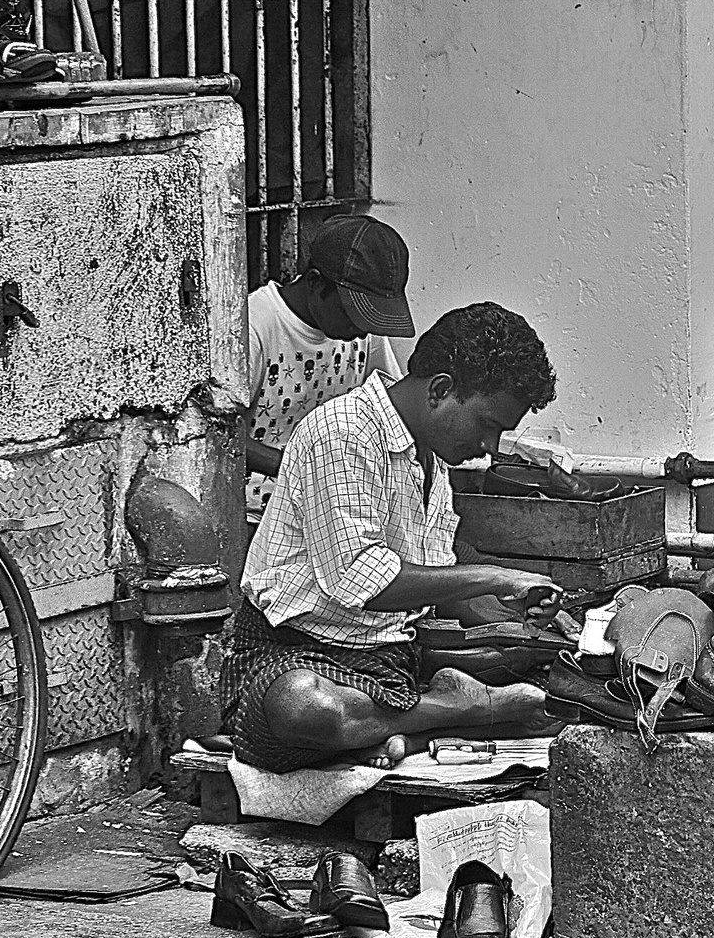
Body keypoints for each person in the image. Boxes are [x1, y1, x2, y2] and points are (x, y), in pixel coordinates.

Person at [223, 301, 565, 773]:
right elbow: (364, 582)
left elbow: (435, 578)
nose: (489, 448)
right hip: (294, 649)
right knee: (302, 709)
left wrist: (522, 617)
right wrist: (493, 577)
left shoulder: (431, 458)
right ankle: (461, 710)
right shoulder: (342, 433)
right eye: (489, 426)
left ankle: (395, 725)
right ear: (441, 390)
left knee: (525, 660)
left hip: (388, 661)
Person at [246, 214, 415, 528]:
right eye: (354, 313)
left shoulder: (363, 332)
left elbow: (394, 406)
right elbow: (225, 440)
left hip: (335, 510)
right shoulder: (257, 324)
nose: (363, 331)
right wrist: (304, 469)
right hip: (259, 515)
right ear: (315, 283)